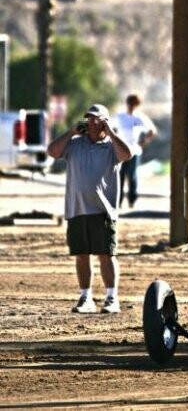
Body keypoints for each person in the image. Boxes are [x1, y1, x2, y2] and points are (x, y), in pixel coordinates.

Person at [47, 104, 132, 314]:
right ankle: (86, 298)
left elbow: (127, 155)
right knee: (81, 255)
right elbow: (52, 151)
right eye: (89, 119)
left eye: (97, 119)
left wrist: (111, 132)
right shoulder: (75, 143)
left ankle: (112, 298)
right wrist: (70, 132)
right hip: (76, 209)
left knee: (106, 254)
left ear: (105, 121)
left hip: (103, 210)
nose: (92, 123)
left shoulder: (111, 146)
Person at [114, 94, 157, 209]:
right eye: (131, 104)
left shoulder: (140, 118)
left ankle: (132, 200)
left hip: (134, 150)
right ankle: (118, 201)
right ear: (127, 104)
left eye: (134, 104)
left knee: (132, 176)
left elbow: (152, 130)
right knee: (120, 175)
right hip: (121, 150)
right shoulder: (120, 117)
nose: (132, 106)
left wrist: (143, 142)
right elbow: (111, 128)